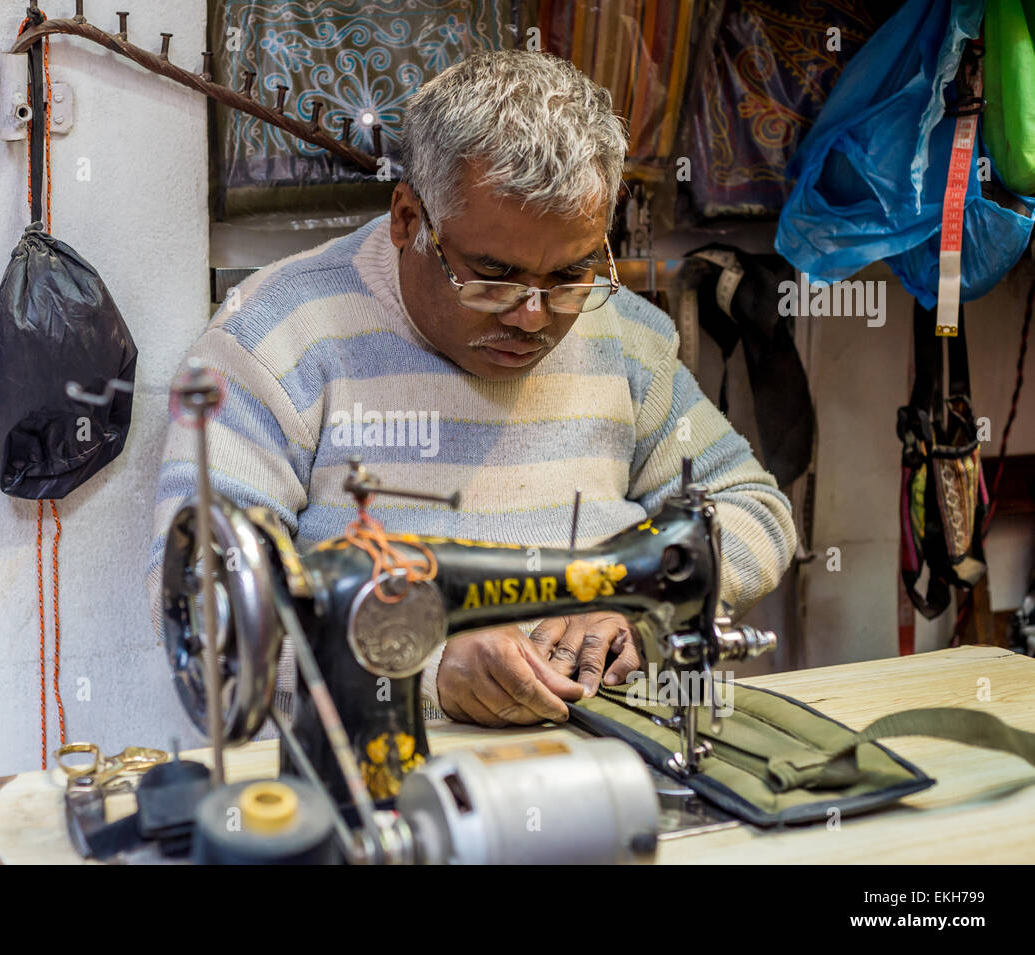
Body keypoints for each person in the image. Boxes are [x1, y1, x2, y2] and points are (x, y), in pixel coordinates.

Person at [149, 50, 796, 727]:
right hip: (395, 773)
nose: (532, 316)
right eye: (493, 276)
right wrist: (418, 667)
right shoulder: (271, 339)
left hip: (612, 756)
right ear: (408, 219)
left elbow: (751, 507)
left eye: (570, 276)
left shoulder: (626, 338)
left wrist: (647, 606)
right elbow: (206, 598)